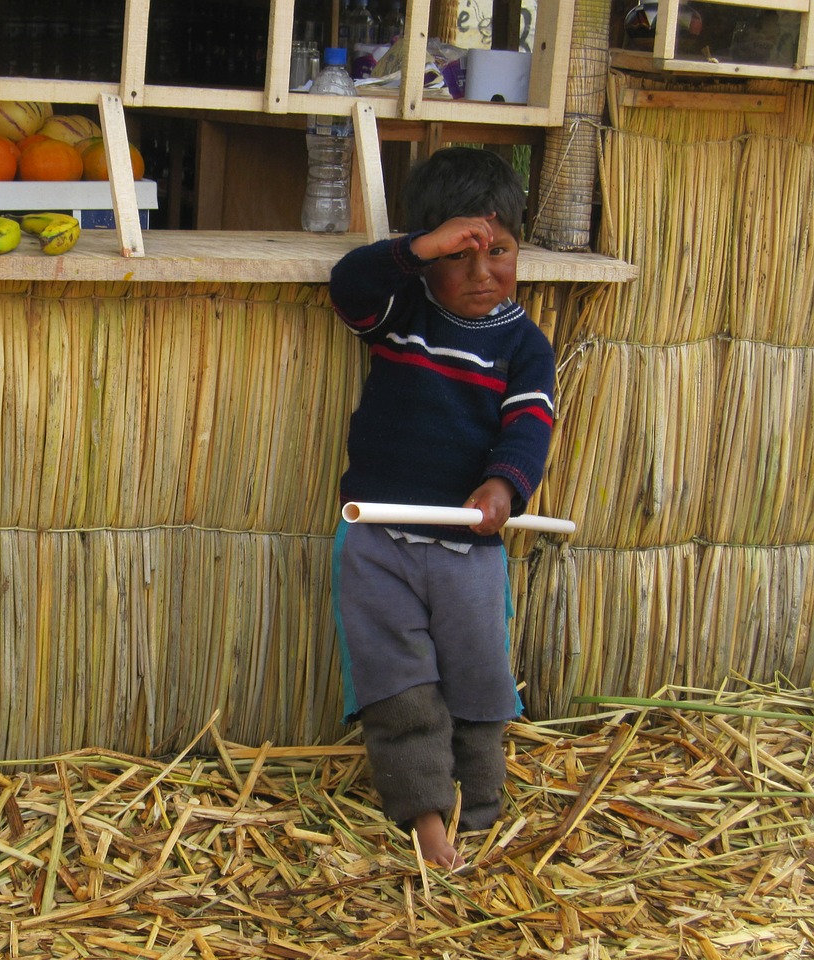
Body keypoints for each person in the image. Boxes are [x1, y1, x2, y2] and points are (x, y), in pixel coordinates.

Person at [327, 147, 556, 869]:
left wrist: (503, 487)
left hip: (468, 551)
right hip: (378, 542)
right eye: (460, 255)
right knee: (398, 683)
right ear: (427, 256)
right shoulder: (401, 313)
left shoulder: (525, 346)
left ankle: (479, 806)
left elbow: (529, 425)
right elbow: (349, 284)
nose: (483, 273)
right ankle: (424, 816)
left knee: (481, 676)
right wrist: (418, 251)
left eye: (500, 251)